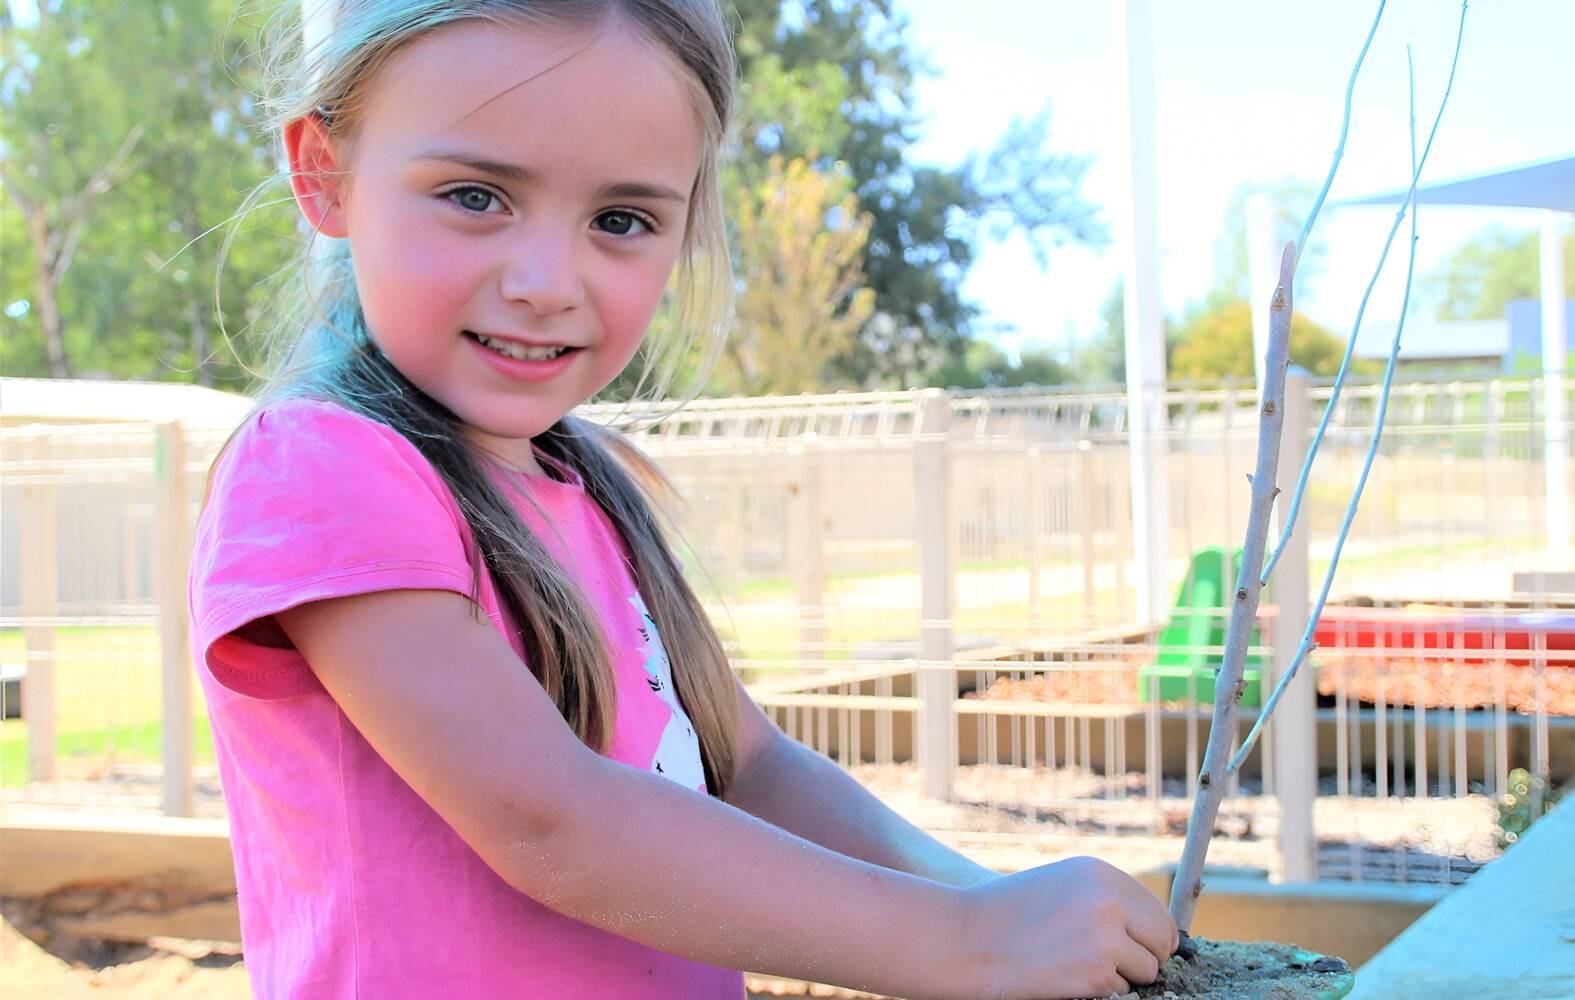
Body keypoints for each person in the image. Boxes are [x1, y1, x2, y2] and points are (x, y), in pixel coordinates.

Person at [189, 2, 1178, 997]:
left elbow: (746, 766)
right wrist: (965, 942)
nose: (546, 281)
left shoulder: (584, 482)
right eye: (474, 195)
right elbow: (550, 819)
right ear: (324, 172)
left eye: (620, 220)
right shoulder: (319, 469)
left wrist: (988, 897)